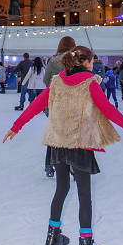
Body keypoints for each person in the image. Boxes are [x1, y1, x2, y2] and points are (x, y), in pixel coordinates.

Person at [3, 46, 123, 245]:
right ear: (86, 62)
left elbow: (37, 105)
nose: (93, 64)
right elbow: (106, 108)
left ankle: (52, 237)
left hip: (58, 143)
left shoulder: (57, 81)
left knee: (61, 189)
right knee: (84, 194)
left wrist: (15, 127)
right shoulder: (90, 83)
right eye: (93, 60)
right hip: (79, 143)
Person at [42, 36, 77, 178]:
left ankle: (49, 165)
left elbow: (46, 81)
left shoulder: (52, 60)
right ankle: (73, 167)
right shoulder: (75, 59)